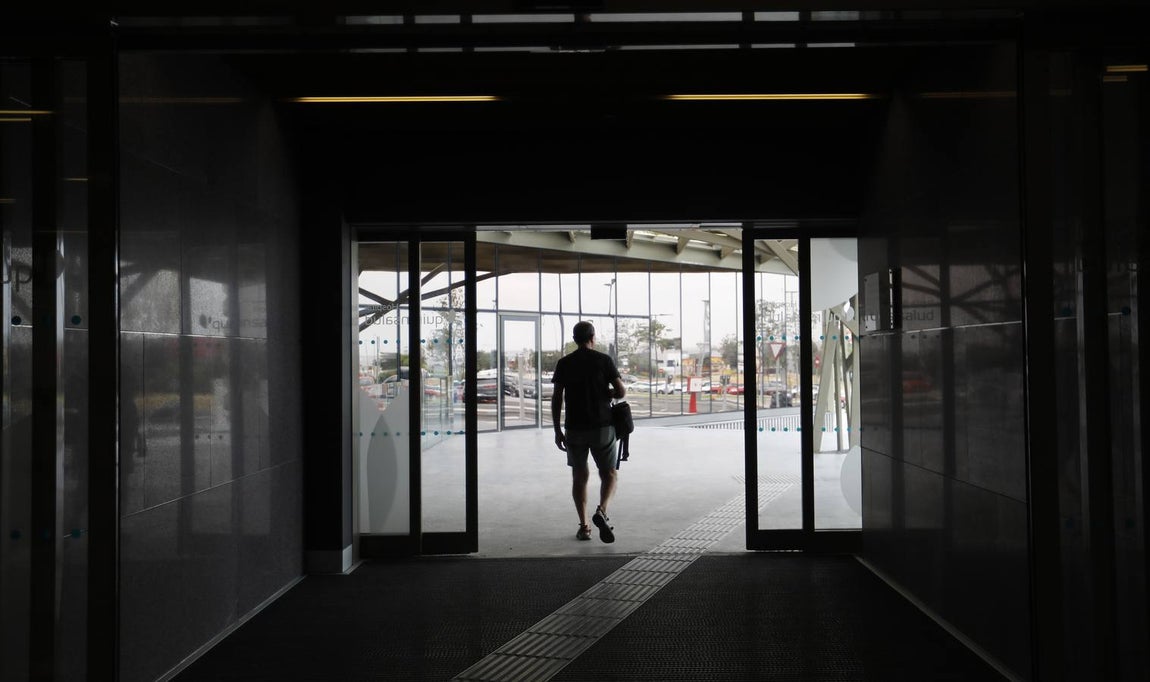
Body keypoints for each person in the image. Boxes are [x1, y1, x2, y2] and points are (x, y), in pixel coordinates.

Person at [551, 321, 627, 543]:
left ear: (575, 339)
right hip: (602, 427)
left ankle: (584, 527)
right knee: (609, 473)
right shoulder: (603, 360)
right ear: (592, 337)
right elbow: (621, 390)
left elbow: (557, 399)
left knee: (579, 476)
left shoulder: (564, 363)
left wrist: (557, 430)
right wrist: (606, 393)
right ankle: (602, 510)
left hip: (575, 429)